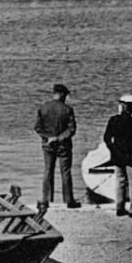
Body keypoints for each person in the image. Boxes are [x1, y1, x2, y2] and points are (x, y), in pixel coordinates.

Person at [34, 82, 79, 213]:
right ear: (63, 94)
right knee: (65, 172)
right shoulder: (67, 109)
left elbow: (37, 128)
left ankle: (46, 200)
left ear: (54, 93)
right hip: (63, 145)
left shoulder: (43, 108)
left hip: (47, 144)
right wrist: (58, 138)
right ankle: (69, 201)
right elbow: (71, 130)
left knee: (48, 170)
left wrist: (48, 138)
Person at [103, 93, 132, 217]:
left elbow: (107, 138)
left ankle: (119, 207)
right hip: (131, 157)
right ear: (131, 107)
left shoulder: (113, 120)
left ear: (121, 106)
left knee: (120, 182)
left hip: (118, 155)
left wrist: (113, 150)